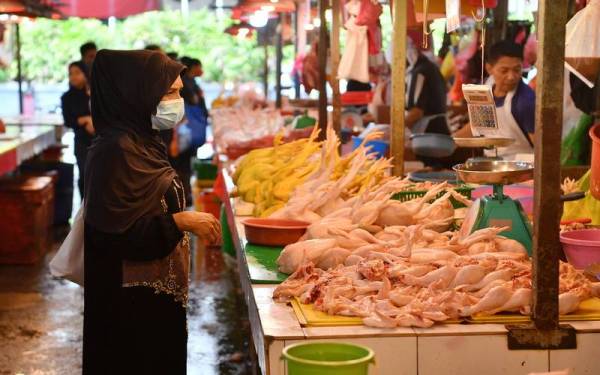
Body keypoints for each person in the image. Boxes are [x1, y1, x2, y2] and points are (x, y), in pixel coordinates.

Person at [83, 50, 221, 374]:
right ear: (137, 94)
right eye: (170, 93)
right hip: (129, 310)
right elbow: (112, 237)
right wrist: (179, 221)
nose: (178, 100)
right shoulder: (114, 152)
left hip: (156, 299)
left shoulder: (144, 141)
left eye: (179, 92)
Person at [455, 41, 535, 158]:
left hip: (522, 168)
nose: (511, 77)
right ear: (489, 68)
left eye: (517, 70)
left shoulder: (526, 101)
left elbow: (541, 147)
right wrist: (449, 142)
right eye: (504, 71)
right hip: (492, 163)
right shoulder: (487, 87)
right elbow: (479, 124)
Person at [404, 38, 449, 136]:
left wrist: (397, 128)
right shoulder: (431, 67)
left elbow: (416, 112)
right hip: (439, 131)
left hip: (429, 134)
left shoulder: (419, 72)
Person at [61, 61, 93, 198]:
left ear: (85, 74)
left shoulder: (95, 93)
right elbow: (68, 121)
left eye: (77, 73)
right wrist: (84, 120)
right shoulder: (67, 97)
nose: (73, 77)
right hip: (82, 142)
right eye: (70, 74)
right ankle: (84, 209)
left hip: (101, 140)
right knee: (85, 176)